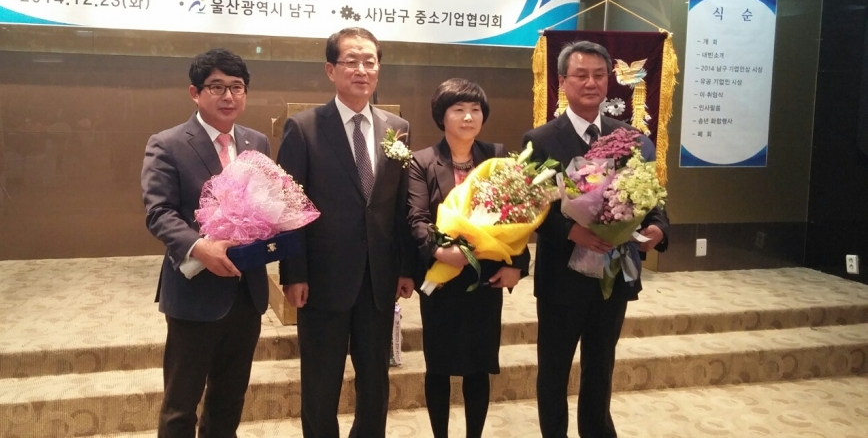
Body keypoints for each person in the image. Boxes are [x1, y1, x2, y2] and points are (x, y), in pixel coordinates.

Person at [522, 40, 669, 438]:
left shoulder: (631, 138)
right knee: (554, 368)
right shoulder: (540, 139)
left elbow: (652, 197)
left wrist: (658, 228)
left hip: (614, 274)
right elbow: (531, 208)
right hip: (561, 276)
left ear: (608, 80)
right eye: (581, 75)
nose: (591, 83)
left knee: (601, 366)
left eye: (599, 75)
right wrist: (573, 231)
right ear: (563, 81)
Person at [276, 27, 416, 438]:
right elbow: (289, 208)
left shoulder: (397, 127)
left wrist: (405, 267)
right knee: (321, 382)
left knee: (375, 381)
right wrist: (293, 273)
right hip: (323, 279)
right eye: (351, 61)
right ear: (330, 70)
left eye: (369, 61)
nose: (361, 69)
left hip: (378, 279)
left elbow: (400, 206)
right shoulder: (303, 127)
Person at [141, 48, 271, 438]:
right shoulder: (167, 143)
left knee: (229, 398)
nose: (228, 96)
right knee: (181, 404)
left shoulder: (257, 142)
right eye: (217, 87)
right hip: (195, 290)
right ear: (195, 93)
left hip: (246, 291)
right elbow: (159, 212)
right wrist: (201, 247)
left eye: (237, 87)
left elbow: (265, 205)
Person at [407, 78, 529, 438]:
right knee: (439, 367)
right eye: (458, 109)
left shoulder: (497, 156)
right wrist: (441, 251)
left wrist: (517, 266)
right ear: (441, 116)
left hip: (485, 279)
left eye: (475, 110)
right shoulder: (422, 162)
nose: (468, 117)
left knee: (479, 367)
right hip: (442, 279)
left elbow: (519, 214)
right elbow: (416, 219)